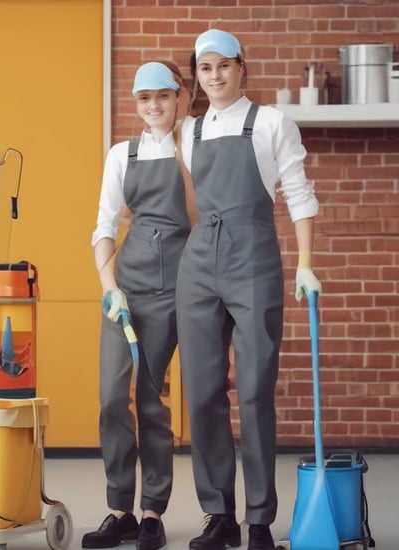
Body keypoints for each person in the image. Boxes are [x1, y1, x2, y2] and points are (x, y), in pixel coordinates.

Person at [176, 29, 321, 550]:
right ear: (197, 74)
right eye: (204, 67)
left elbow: (299, 195)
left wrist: (305, 262)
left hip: (254, 262)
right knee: (205, 393)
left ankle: (260, 519)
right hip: (199, 267)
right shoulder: (189, 131)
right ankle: (220, 516)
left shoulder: (272, 123)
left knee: (256, 392)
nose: (213, 76)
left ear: (242, 67)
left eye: (223, 65)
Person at [84, 62, 192, 550]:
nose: (154, 105)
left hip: (178, 287)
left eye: (163, 96)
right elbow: (105, 226)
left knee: (151, 401)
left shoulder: (193, 146)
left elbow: (204, 212)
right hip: (126, 289)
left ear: (180, 97)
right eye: (144, 97)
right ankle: (118, 510)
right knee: (112, 399)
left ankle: (151, 513)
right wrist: (110, 286)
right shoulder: (121, 154)